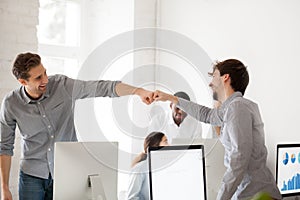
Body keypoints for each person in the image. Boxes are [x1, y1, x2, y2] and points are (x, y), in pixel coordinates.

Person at [0, 52, 154, 200]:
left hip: (65, 172)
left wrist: (137, 91)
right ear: (23, 82)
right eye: (38, 78)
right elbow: (5, 147)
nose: (45, 80)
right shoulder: (11, 104)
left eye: (45, 73)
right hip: (31, 176)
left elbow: (100, 87)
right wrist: (5, 188)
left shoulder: (62, 86)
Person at [153, 59, 282, 200]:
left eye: (214, 76)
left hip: (255, 195)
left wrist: (222, 197)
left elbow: (239, 158)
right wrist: (170, 98)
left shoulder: (237, 107)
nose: (210, 83)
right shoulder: (234, 107)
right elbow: (206, 115)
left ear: (225, 77)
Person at [127, 131, 168, 200]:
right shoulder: (140, 168)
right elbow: (131, 198)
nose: (169, 145)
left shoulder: (166, 167)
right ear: (155, 145)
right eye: (165, 142)